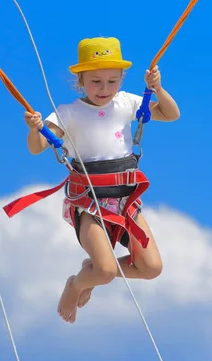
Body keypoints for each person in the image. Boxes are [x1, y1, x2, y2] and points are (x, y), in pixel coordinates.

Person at [25, 37, 180, 323]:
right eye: (95, 81)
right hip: (90, 203)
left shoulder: (127, 102)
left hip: (125, 200)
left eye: (112, 81)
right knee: (105, 272)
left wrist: (157, 89)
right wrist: (36, 129)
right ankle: (76, 283)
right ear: (80, 80)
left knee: (151, 267)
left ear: (121, 79)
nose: (104, 89)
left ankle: (90, 271)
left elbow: (171, 114)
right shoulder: (68, 113)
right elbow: (37, 147)